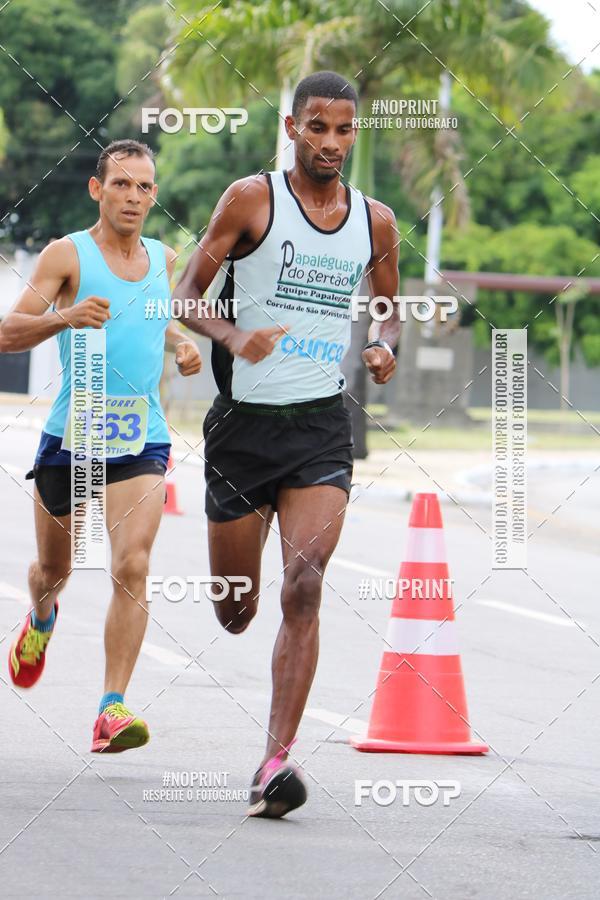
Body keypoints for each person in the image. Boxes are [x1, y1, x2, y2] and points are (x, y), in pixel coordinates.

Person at [174, 70, 400, 817]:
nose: (330, 142)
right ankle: (239, 584)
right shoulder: (251, 200)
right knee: (236, 610)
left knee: (303, 583)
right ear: (292, 127)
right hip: (243, 430)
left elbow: (389, 308)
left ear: (355, 133)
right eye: (317, 127)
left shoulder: (376, 222)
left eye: (344, 129)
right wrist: (234, 335)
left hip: (319, 429)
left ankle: (275, 762)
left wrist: (383, 345)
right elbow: (185, 294)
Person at [0, 139, 201, 753]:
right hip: (75, 434)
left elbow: (151, 318)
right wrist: (65, 317)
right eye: (121, 184)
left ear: (154, 196)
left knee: (132, 565)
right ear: (97, 189)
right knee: (54, 570)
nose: (133, 197)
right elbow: (8, 332)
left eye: (144, 187)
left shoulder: (164, 258)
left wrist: (181, 342)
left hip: (141, 436)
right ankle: (41, 616)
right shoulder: (68, 255)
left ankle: (111, 708)